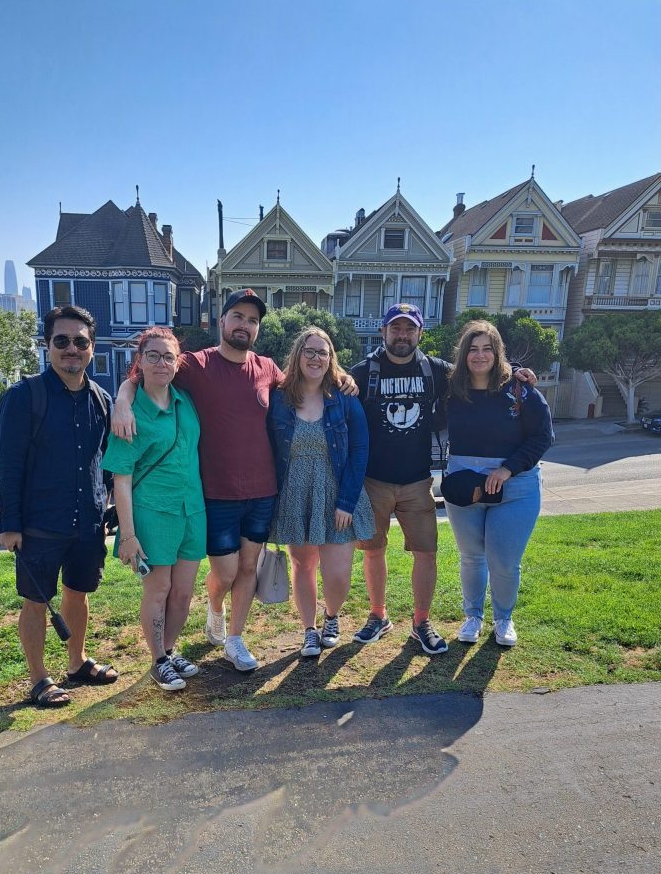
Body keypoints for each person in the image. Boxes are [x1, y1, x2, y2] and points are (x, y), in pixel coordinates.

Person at [111, 288, 359, 673]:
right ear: (221, 321)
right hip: (214, 494)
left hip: (262, 492)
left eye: (252, 320)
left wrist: (342, 378)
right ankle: (215, 609)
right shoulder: (196, 364)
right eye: (238, 317)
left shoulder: (267, 369)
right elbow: (149, 371)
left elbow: (310, 377)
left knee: (248, 569)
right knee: (224, 572)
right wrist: (123, 399)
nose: (245, 325)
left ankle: (236, 638)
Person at [349, 303, 537, 656]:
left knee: (426, 553)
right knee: (373, 551)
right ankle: (378, 616)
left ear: (420, 333)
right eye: (395, 328)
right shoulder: (362, 372)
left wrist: (518, 372)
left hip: (418, 481)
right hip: (372, 481)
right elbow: (332, 389)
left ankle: (421, 622)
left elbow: (481, 372)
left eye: (409, 329)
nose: (402, 335)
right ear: (383, 332)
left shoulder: (435, 371)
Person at [0, 305, 115, 708]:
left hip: (87, 523)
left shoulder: (102, 399)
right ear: (47, 345)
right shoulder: (24, 396)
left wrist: (107, 509)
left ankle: (77, 662)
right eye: (61, 341)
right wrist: (9, 523)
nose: (71, 349)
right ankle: (38, 677)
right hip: (38, 526)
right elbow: (8, 465)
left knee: (78, 594)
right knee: (36, 601)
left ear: (92, 348)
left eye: (80, 342)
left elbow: (105, 461)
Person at [102, 328, 205, 691]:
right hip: (152, 514)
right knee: (158, 590)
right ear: (140, 362)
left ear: (178, 363)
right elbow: (122, 479)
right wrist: (127, 535)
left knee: (184, 592)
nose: (162, 363)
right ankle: (158, 659)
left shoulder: (185, 401)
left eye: (168, 357)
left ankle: (170, 649)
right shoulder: (129, 416)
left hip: (193, 511)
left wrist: (122, 394)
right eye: (153, 356)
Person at [443, 320, 553, 646]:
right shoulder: (452, 389)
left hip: (515, 486)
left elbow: (543, 436)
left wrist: (508, 468)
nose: (479, 356)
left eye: (487, 349)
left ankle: (503, 618)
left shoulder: (520, 389)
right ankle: (472, 616)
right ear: (464, 354)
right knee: (471, 556)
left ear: (497, 352)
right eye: (473, 349)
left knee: (504, 561)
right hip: (466, 484)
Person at [267, 328, 374, 656]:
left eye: (322, 352)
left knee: (338, 573)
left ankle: (331, 616)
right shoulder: (279, 398)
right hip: (295, 493)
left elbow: (360, 449)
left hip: (337, 493)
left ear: (331, 359)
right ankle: (309, 629)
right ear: (298, 355)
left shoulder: (344, 397)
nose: (316, 358)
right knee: (303, 565)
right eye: (309, 351)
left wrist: (347, 502)